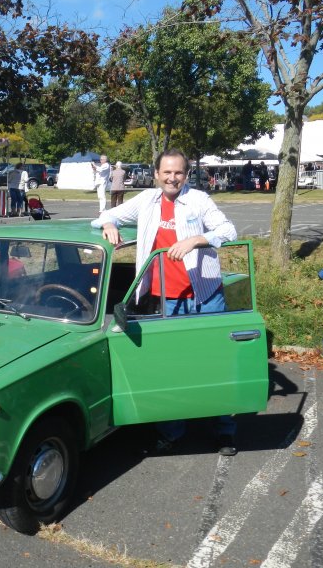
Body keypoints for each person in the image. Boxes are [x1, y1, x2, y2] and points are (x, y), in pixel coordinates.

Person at [91, 148, 238, 456]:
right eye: (167, 172)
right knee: (172, 368)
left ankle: (224, 430)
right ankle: (172, 432)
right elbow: (106, 214)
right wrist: (109, 224)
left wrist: (195, 240)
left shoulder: (198, 200)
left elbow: (228, 230)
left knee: (214, 364)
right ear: (156, 174)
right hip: (164, 302)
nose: (172, 178)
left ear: (187, 175)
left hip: (205, 296)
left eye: (179, 172)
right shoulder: (146, 200)